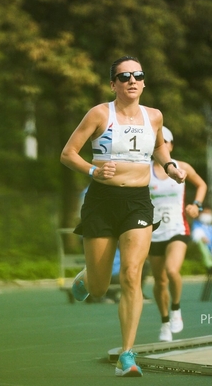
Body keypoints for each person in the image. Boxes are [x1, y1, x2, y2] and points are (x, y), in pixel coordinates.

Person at [60, 55, 186, 377]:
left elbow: (159, 148)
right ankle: (87, 278)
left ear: (144, 82)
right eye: (124, 76)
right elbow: (68, 153)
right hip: (102, 200)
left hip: (138, 203)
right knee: (101, 287)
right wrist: (92, 170)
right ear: (113, 84)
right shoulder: (100, 114)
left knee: (132, 273)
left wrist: (170, 166)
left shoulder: (154, 116)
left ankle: (127, 355)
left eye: (138, 75)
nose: (132, 80)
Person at [148, 126, 207, 342]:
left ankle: (176, 309)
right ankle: (164, 323)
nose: (162, 146)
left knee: (172, 271)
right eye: (158, 143)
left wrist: (196, 205)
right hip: (153, 234)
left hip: (177, 230)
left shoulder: (182, 167)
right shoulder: (145, 171)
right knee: (159, 281)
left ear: (171, 145)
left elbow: (201, 184)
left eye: (166, 142)